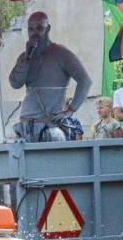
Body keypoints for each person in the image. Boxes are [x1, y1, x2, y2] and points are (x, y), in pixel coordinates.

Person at [8, 11, 90, 142]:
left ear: (48, 29)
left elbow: (85, 81)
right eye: (31, 29)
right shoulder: (24, 56)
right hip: (26, 124)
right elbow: (15, 84)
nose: (34, 33)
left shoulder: (61, 53)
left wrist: (71, 110)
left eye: (39, 28)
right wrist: (26, 59)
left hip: (52, 125)